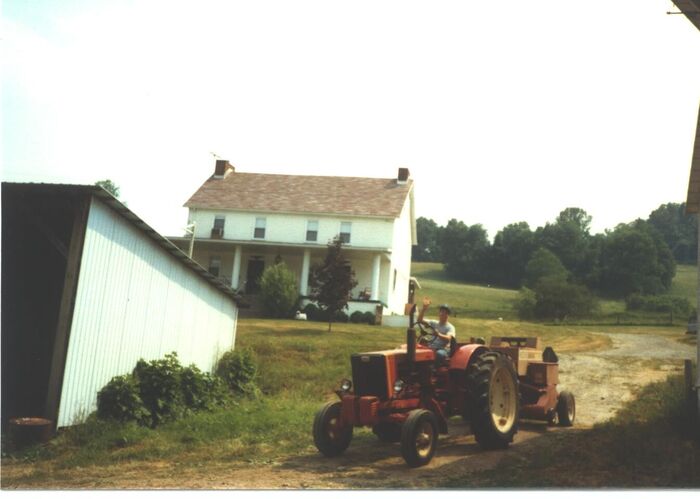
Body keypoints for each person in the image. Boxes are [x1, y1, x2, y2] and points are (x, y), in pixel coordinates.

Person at [416, 297, 456, 364]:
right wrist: (424, 309)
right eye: (441, 312)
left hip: (442, 348)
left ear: (447, 315)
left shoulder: (450, 327)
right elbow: (419, 320)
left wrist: (438, 334)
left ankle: (434, 369)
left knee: (439, 354)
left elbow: (448, 338)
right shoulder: (434, 323)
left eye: (444, 312)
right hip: (431, 346)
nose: (442, 314)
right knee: (417, 349)